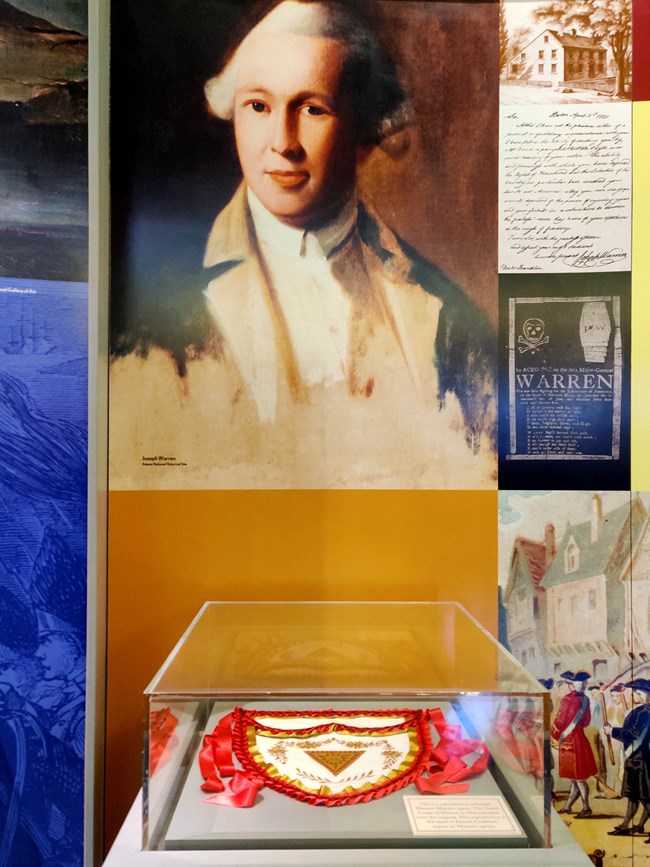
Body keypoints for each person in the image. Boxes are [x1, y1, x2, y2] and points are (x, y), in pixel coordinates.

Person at [110, 0, 496, 489]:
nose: (282, 142)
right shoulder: (151, 317)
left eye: (312, 108)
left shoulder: (445, 315)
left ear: (364, 131)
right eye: (258, 106)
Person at [605, 679, 650, 838]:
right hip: (635, 758)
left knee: (645, 797)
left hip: (641, 760)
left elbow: (634, 734)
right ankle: (626, 826)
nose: (636, 695)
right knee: (633, 796)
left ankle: (634, 826)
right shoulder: (641, 710)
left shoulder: (645, 712)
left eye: (639, 693)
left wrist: (612, 731)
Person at [551, 670, 598, 817]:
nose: (583, 685)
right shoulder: (585, 700)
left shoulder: (567, 699)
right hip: (579, 740)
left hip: (569, 742)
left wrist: (554, 735)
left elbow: (560, 720)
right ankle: (568, 806)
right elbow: (586, 722)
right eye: (580, 682)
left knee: (579, 778)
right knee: (576, 777)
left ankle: (586, 807)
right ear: (572, 684)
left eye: (584, 682)